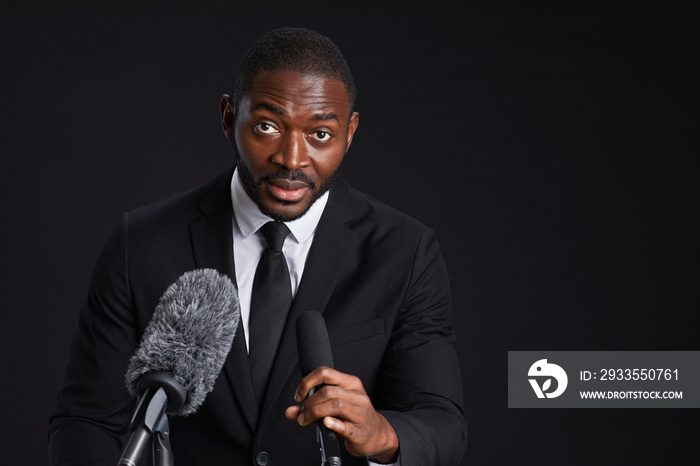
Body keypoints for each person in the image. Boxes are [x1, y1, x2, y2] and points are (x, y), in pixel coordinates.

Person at [49, 27, 467, 466]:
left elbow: (442, 424)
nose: (291, 158)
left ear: (350, 132)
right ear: (230, 117)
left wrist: (383, 434)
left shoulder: (405, 251)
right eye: (267, 126)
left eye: (320, 135)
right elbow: (87, 421)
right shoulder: (144, 242)